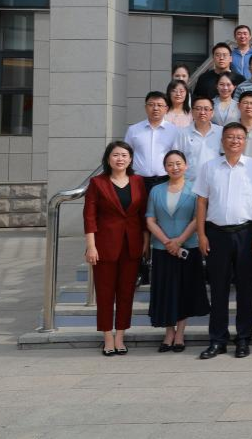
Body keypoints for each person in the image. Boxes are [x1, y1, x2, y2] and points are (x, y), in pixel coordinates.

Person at [195, 122, 252, 359]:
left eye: (239, 137)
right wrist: (201, 234)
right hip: (216, 234)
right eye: (230, 137)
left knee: (245, 289)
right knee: (218, 289)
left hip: (247, 233)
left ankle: (243, 339)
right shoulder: (209, 167)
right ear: (222, 140)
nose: (235, 141)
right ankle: (218, 340)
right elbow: (201, 202)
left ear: (245, 141)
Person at [83, 141, 148, 356]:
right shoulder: (97, 183)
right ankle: (107, 337)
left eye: (124, 155)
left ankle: (120, 335)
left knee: (126, 293)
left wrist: (145, 241)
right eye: (115, 155)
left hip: (132, 245)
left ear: (130, 159)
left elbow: (143, 214)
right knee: (104, 293)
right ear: (108, 158)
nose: (120, 159)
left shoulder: (138, 181)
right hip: (104, 246)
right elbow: (89, 216)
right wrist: (91, 246)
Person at [145, 150, 209, 353]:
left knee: (184, 291)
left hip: (188, 247)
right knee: (165, 291)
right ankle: (168, 332)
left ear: (186, 165)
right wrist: (167, 242)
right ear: (165, 168)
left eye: (179, 163)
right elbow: (150, 219)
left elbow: (197, 218)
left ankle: (180, 333)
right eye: (170, 164)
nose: (175, 167)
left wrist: (179, 241)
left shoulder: (194, 190)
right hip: (162, 248)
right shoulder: (156, 190)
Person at [125, 91, 178, 192]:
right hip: (138, 180)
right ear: (145, 107)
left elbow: (177, 156)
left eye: (160, 105)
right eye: (151, 105)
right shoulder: (133, 130)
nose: (155, 108)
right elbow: (126, 154)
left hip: (165, 179)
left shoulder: (174, 131)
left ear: (166, 109)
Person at [175, 96, 223, 180]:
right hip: (190, 182)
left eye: (206, 109)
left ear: (212, 113)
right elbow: (176, 157)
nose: (202, 112)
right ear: (192, 112)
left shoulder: (221, 132)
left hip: (215, 180)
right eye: (198, 109)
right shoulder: (182, 133)